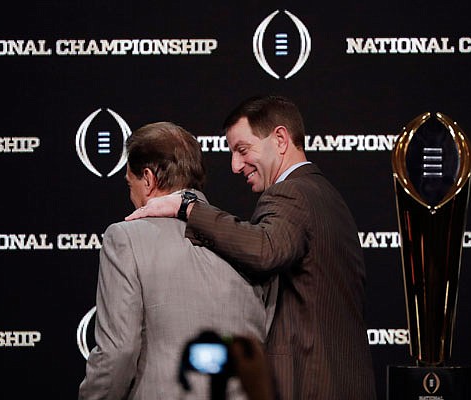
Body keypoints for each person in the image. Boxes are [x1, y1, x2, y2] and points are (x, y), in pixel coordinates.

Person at [126, 96, 377, 399]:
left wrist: (189, 208)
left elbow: (265, 250)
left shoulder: (291, 193)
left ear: (281, 139)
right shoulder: (324, 193)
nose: (235, 165)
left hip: (307, 385)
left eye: (242, 150)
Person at [79, 121, 276, 400]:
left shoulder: (125, 238)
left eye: (130, 184)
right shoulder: (250, 240)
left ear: (147, 179)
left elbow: (118, 352)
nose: (131, 195)